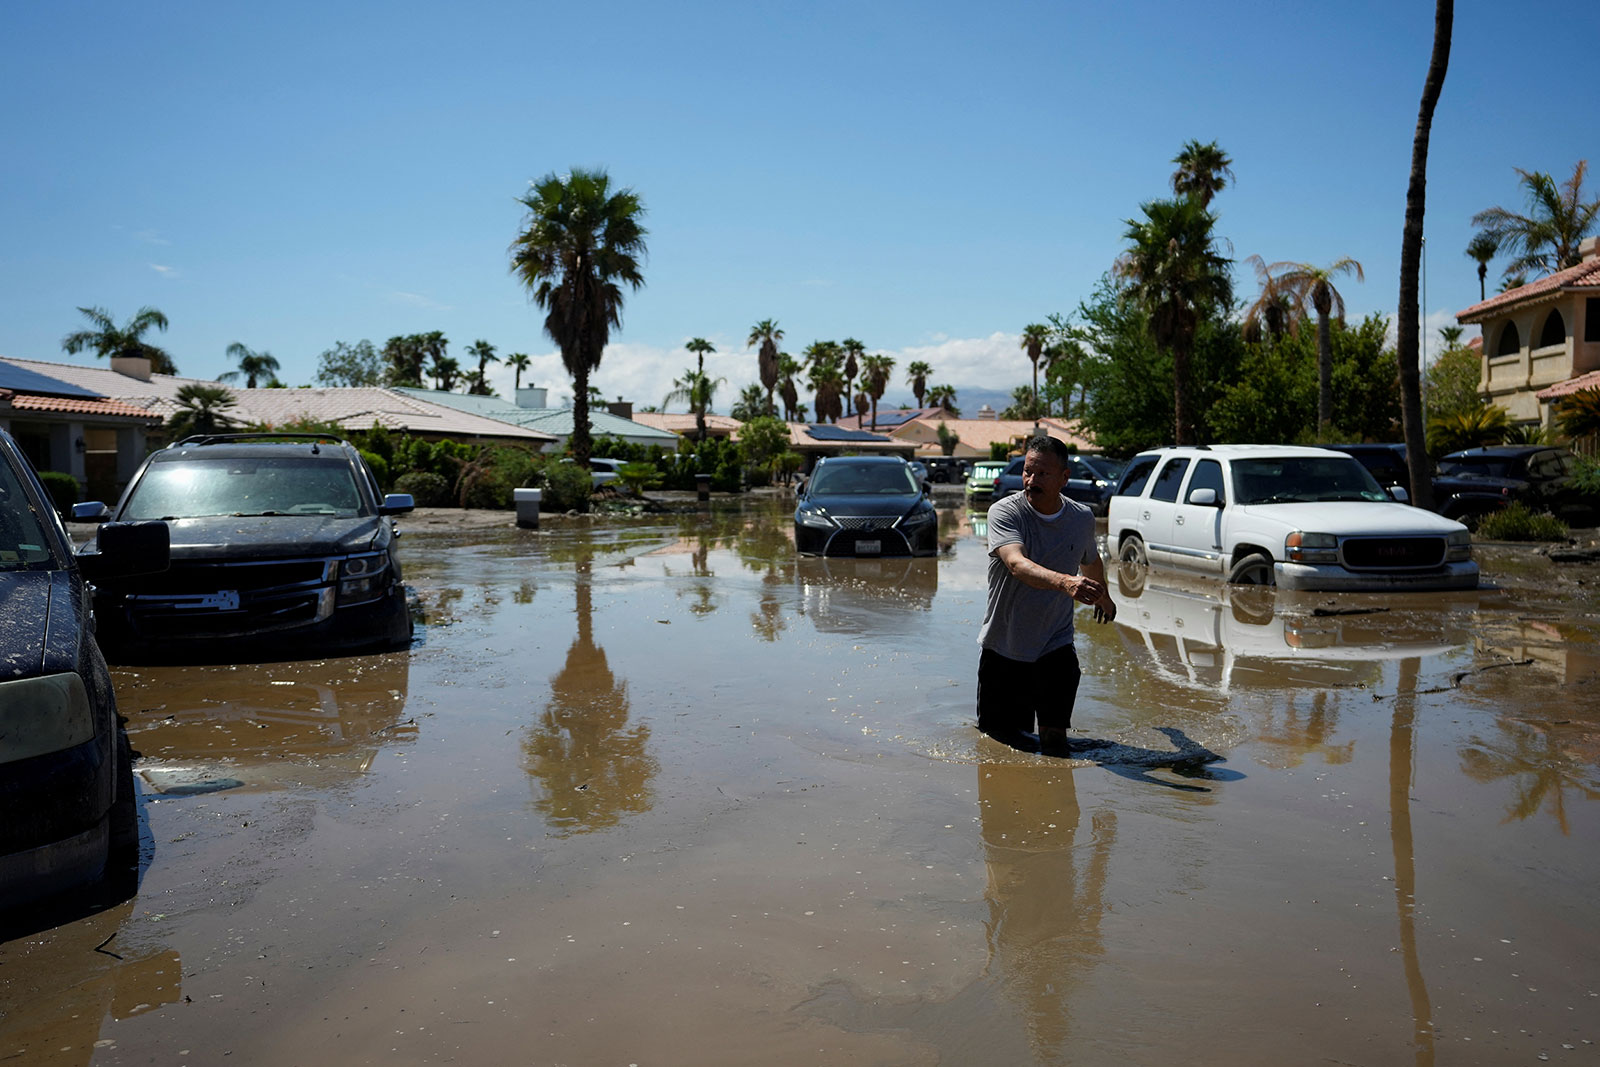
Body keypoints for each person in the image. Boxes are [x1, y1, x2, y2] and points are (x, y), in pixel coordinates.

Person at [977, 436, 1116, 754]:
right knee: (1001, 746)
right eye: (1028, 472)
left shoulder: (1080, 518)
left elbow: (1090, 559)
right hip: (1005, 648)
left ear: (1064, 478)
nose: (1031, 480)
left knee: (1055, 742)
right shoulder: (1005, 513)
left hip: (1055, 643)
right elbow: (1016, 564)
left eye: (1042, 474)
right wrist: (1068, 584)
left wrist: (1104, 597)